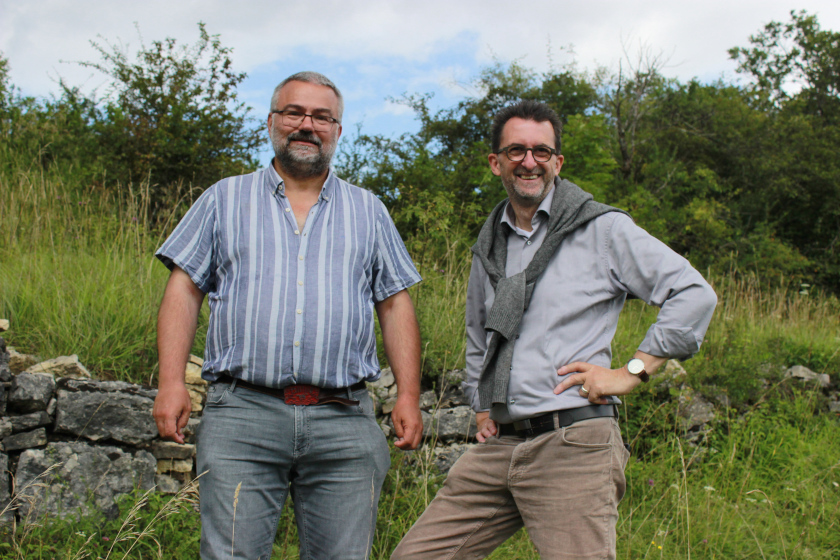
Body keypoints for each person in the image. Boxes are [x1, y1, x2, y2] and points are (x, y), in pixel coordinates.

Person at [392, 100, 717, 560]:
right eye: (517, 151)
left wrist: (630, 372)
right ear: (496, 162)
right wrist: (483, 407)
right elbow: (479, 339)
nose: (530, 161)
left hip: (573, 444)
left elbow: (693, 293)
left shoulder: (603, 229)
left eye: (541, 151)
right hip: (500, 445)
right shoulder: (489, 246)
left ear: (557, 162)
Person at [152, 71, 423, 560]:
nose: (307, 124)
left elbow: (395, 302)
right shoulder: (223, 199)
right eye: (294, 113)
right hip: (243, 417)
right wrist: (171, 381)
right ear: (272, 122)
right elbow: (183, 289)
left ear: (337, 131)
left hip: (344, 421)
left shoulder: (370, 210)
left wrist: (408, 394)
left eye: (322, 116)